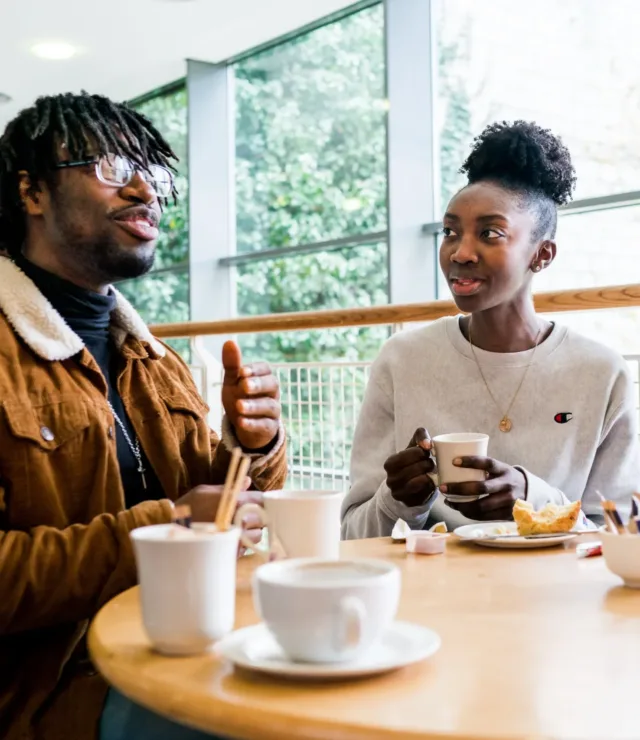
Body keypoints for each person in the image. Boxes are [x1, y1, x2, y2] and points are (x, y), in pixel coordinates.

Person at [0, 92, 287, 740]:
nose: (144, 191)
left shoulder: (150, 358)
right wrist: (168, 527)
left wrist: (252, 445)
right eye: (109, 166)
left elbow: (220, 500)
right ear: (32, 192)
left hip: (191, 636)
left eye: (154, 177)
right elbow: (184, 512)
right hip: (56, 689)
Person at [342, 120, 640, 539]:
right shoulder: (402, 360)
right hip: (430, 597)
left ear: (542, 254)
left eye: (490, 233)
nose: (460, 253)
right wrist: (400, 502)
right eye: (450, 232)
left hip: (555, 599)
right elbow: (353, 536)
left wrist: (533, 497)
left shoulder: (601, 373)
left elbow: (623, 537)